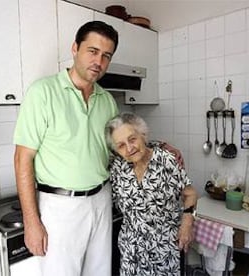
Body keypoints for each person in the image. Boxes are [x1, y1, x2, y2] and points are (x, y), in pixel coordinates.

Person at [13, 21, 119, 276]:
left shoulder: (108, 101)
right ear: (75, 48)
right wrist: (32, 221)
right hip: (60, 207)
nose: (99, 62)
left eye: (106, 56)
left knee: (100, 272)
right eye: (92, 51)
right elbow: (22, 159)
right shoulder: (43, 93)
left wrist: (158, 148)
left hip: (102, 201)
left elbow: (120, 149)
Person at [105, 112, 198, 276]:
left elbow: (190, 194)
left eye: (132, 139)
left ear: (143, 134)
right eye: (121, 145)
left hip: (165, 249)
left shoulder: (166, 160)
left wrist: (187, 224)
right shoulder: (117, 167)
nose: (129, 148)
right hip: (131, 251)